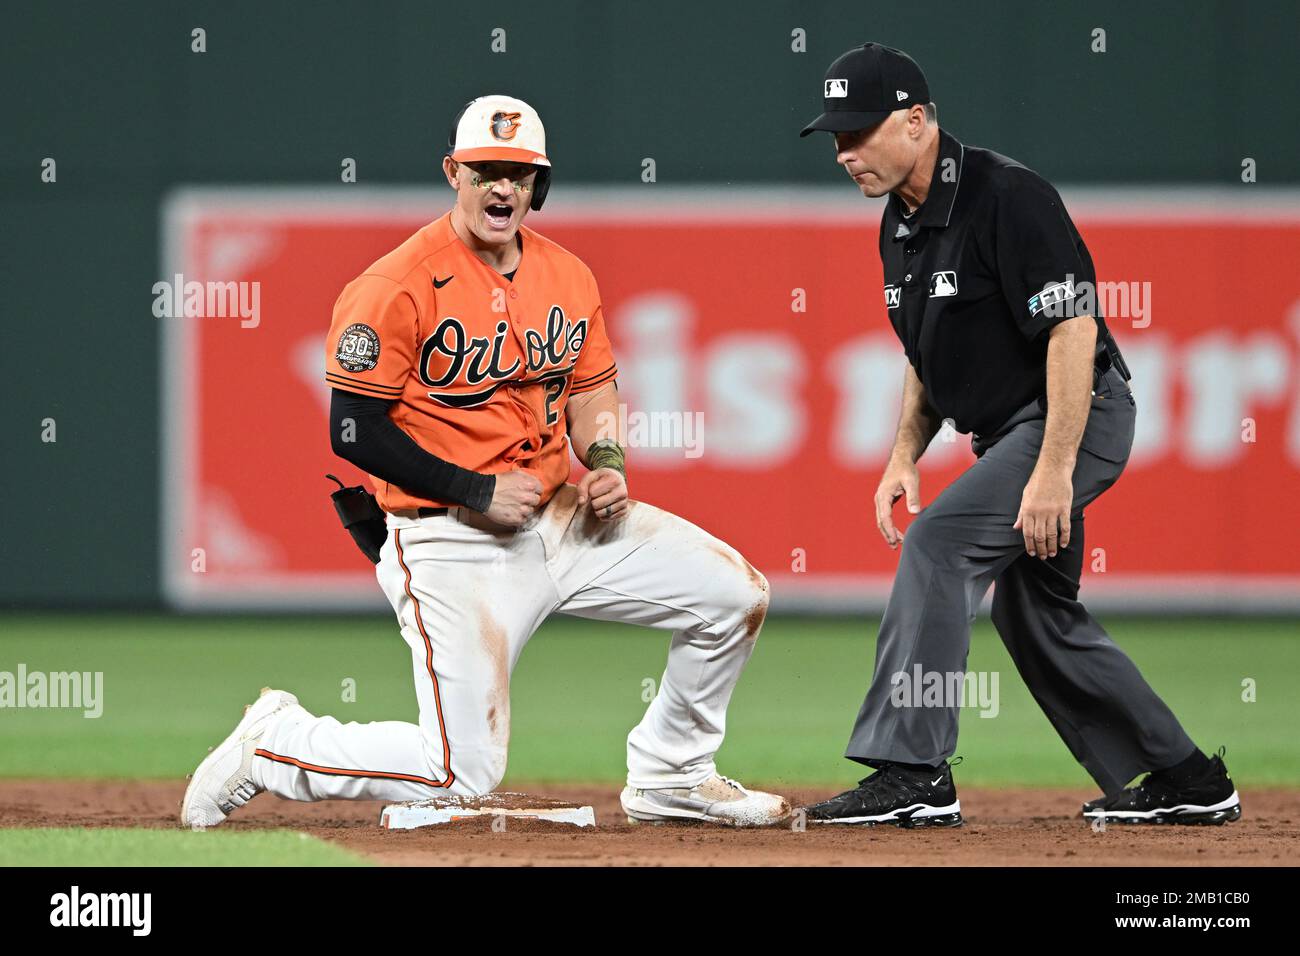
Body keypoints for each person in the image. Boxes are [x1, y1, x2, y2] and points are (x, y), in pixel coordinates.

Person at [180, 94, 788, 830]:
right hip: (448, 538)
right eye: (485, 170)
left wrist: (606, 461)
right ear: (453, 173)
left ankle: (672, 775)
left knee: (733, 596)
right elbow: (353, 429)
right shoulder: (394, 284)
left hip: (563, 520)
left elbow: (593, 388)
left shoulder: (567, 276)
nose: (503, 187)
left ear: (539, 184)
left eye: (520, 173)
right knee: (459, 774)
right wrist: (471, 489)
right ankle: (274, 745)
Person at [797, 45, 1239, 827]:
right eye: (834, 137)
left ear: (916, 121)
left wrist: (1052, 472)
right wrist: (903, 452)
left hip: (1077, 414)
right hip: (1010, 435)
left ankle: (914, 772)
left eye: (859, 131)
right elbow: (925, 355)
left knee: (937, 546)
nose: (844, 151)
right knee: (1035, 613)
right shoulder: (898, 224)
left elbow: (1072, 328)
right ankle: (1189, 778)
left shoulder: (1008, 196)